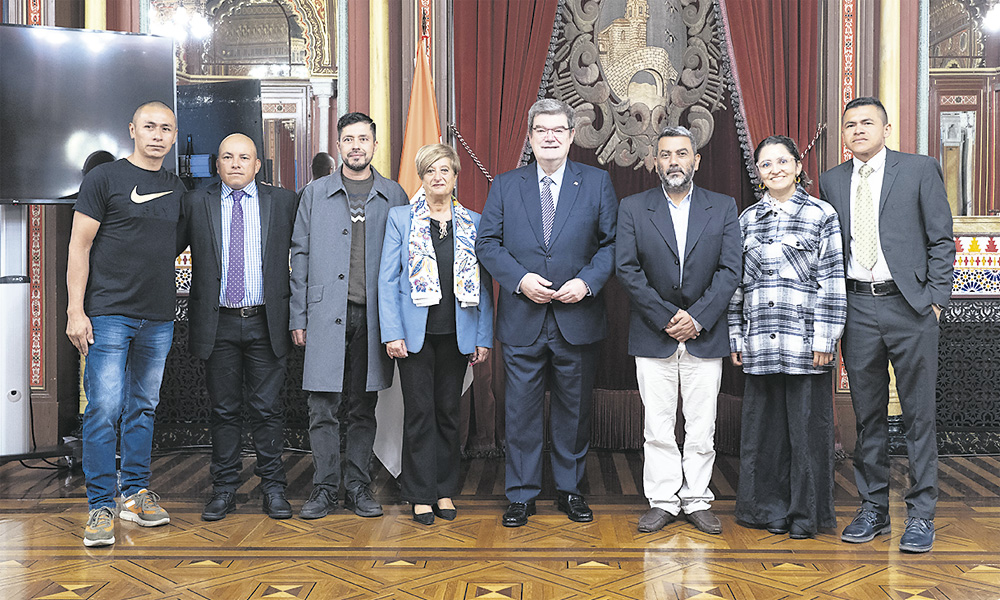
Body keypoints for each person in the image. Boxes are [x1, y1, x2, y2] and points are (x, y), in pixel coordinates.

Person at [819, 97, 954, 553]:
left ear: (887, 129)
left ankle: (921, 514)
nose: (858, 130)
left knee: (919, 415)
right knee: (868, 415)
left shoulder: (919, 169)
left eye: (867, 122)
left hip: (911, 308)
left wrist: (935, 301)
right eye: (850, 125)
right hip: (858, 308)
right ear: (843, 134)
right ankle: (873, 508)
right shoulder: (832, 180)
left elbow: (941, 239)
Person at [476, 98, 617, 528]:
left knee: (574, 412)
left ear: (572, 136)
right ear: (531, 137)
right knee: (520, 412)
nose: (550, 137)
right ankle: (521, 494)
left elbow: (612, 244)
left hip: (578, 316)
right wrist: (520, 280)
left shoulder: (597, 182)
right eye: (542, 130)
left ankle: (570, 490)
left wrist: (587, 282)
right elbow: (487, 244)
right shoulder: (506, 185)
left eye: (558, 130)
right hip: (523, 316)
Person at [66, 101, 187, 547]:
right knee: (103, 409)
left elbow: (170, 246)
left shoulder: (176, 187)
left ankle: (135, 496)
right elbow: (79, 246)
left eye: (166, 128)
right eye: (149, 126)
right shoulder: (104, 179)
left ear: (173, 136)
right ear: (132, 130)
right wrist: (75, 310)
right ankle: (100, 506)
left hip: (158, 317)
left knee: (143, 408)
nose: (158, 135)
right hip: (108, 314)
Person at [616, 126, 741, 535]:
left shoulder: (722, 207)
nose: (674, 161)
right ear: (655, 162)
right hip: (654, 333)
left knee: (702, 426)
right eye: (666, 154)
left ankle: (697, 499)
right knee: (658, 425)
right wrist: (668, 317)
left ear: (696, 161)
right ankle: (664, 500)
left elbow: (730, 270)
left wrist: (697, 318)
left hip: (705, 334)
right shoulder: (634, 207)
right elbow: (627, 269)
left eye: (682, 154)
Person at [290, 112, 408, 519]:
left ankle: (358, 486)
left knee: (363, 406)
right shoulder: (314, 193)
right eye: (348, 139)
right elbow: (299, 256)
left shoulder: (394, 195)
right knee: (321, 406)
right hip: (324, 313)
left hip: (373, 318)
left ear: (374, 145)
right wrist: (298, 317)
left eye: (363, 139)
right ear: (338, 145)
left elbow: (406, 263)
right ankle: (324, 488)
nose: (356, 146)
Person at [729, 135, 846, 540]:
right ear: (758, 173)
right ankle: (768, 510)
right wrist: (736, 338)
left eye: (782, 161)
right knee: (765, 434)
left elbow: (832, 281)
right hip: (759, 343)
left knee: (807, 432)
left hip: (805, 345)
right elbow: (736, 286)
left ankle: (804, 514)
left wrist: (825, 339)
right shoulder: (747, 219)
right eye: (766, 164)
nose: (775, 169)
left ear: (798, 166)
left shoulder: (821, 215)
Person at [177, 133, 299, 521]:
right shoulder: (196, 202)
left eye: (244, 158)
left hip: (267, 321)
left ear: (257, 165)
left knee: (267, 410)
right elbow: (164, 250)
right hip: (219, 324)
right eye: (227, 157)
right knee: (224, 411)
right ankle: (224, 489)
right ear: (217, 164)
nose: (235, 164)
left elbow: (305, 254)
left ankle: (274, 488)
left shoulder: (284, 202)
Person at [378, 144, 493, 524]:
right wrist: (392, 332)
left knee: (448, 413)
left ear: (456, 176)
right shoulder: (401, 219)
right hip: (415, 336)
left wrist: (483, 336)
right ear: (422, 177)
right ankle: (419, 493)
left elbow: (484, 284)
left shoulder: (474, 222)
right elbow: (387, 280)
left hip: (458, 333)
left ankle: (444, 490)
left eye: (445, 170)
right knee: (419, 413)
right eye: (430, 170)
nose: (438, 176)